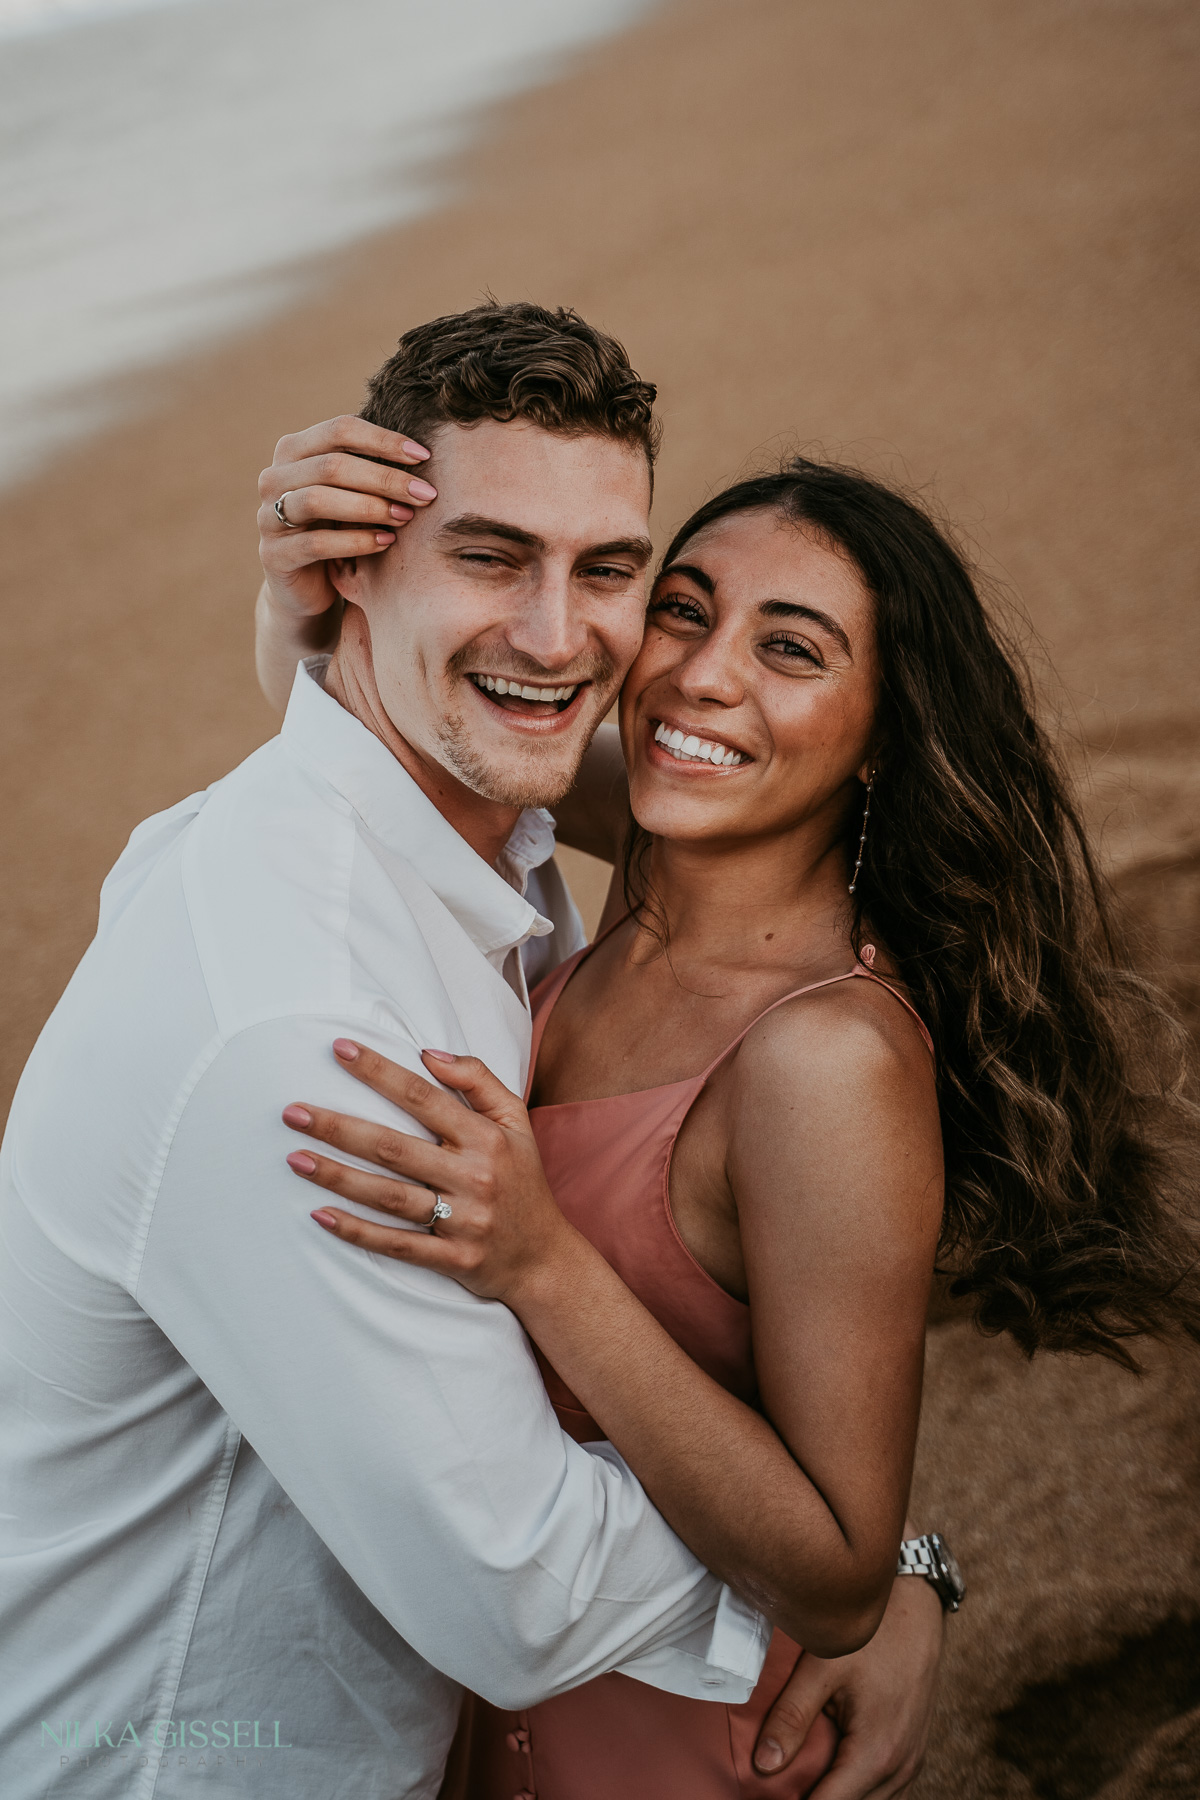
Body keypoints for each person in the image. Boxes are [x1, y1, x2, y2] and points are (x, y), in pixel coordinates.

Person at [0, 303, 942, 1800]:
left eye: (611, 572)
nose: (567, 636)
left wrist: (876, 1544)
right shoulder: (307, 1033)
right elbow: (523, 1588)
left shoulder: (480, 835)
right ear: (355, 566)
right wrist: (863, 1581)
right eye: (494, 555)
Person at [262, 440, 1200, 1798]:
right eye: (686, 609)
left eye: (794, 651)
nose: (703, 675)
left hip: (679, 1740)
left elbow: (833, 1570)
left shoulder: (824, 1060)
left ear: (883, 735)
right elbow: (381, 746)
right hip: (502, 1671)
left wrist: (539, 1262)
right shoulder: (654, 850)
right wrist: (301, 568)